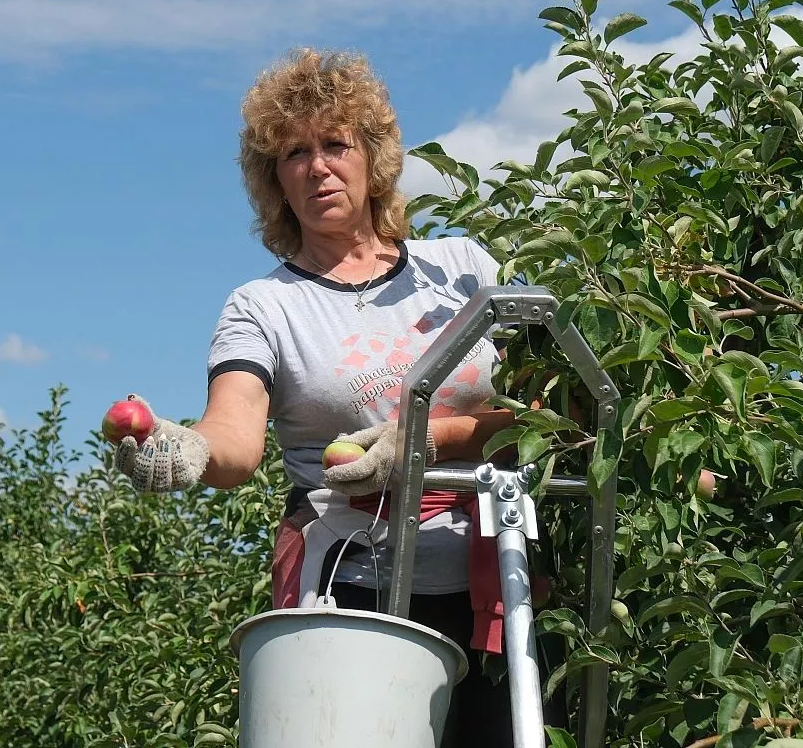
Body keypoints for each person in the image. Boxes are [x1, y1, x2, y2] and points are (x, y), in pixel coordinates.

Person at [114, 47, 562, 747]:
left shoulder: (465, 269)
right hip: (353, 594)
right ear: (274, 180)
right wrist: (188, 449)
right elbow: (234, 441)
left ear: (372, 156)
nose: (317, 166)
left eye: (334, 144)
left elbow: (548, 418)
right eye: (294, 153)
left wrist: (428, 441)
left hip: (495, 582)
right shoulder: (264, 307)